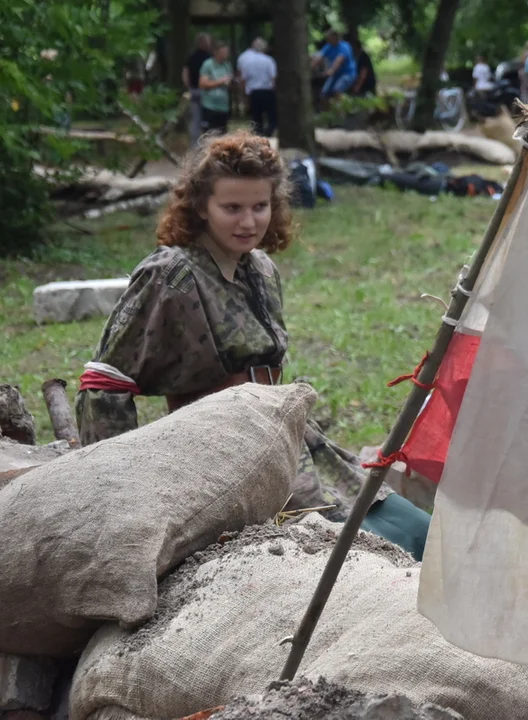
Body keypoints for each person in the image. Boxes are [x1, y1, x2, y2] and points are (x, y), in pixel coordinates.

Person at [73, 130, 431, 561]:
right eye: (232, 208)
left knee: (418, 533)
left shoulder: (259, 268)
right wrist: (119, 492)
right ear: (201, 207)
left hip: (289, 444)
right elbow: (105, 381)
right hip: (221, 461)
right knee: (365, 557)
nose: (248, 222)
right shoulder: (172, 275)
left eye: (260, 206)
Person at [237, 37, 277, 137]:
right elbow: (273, 78)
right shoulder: (269, 60)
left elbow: (243, 79)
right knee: (271, 115)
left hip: (253, 92)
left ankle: (259, 135)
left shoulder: (247, 62)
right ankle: (268, 132)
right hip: (267, 91)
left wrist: (244, 94)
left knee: (256, 117)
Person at [311, 29, 357, 109]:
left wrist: (331, 70)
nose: (327, 40)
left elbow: (339, 61)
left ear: (335, 38)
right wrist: (310, 69)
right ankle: (327, 114)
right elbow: (319, 58)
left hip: (347, 74)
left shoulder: (345, 47)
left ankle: (341, 111)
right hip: (336, 75)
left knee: (337, 90)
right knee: (324, 93)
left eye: (329, 38)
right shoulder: (328, 46)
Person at [182, 34, 212, 145]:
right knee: (204, 118)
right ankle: (203, 143)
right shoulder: (209, 58)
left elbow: (185, 72)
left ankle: (195, 144)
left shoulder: (191, 57)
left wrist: (189, 86)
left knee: (196, 118)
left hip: (194, 90)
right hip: (205, 91)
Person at [198, 41, 234, 136]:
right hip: (210, 106)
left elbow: (228, 83)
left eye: (227, 52)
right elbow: (202, 84)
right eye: (223, 52)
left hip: (223, 107)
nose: (225, 54)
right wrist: (220, 82)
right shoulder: (208, 64)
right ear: (216, 52)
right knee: (209, 135)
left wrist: (229, 83)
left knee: (222, 135)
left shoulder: (227, 65)